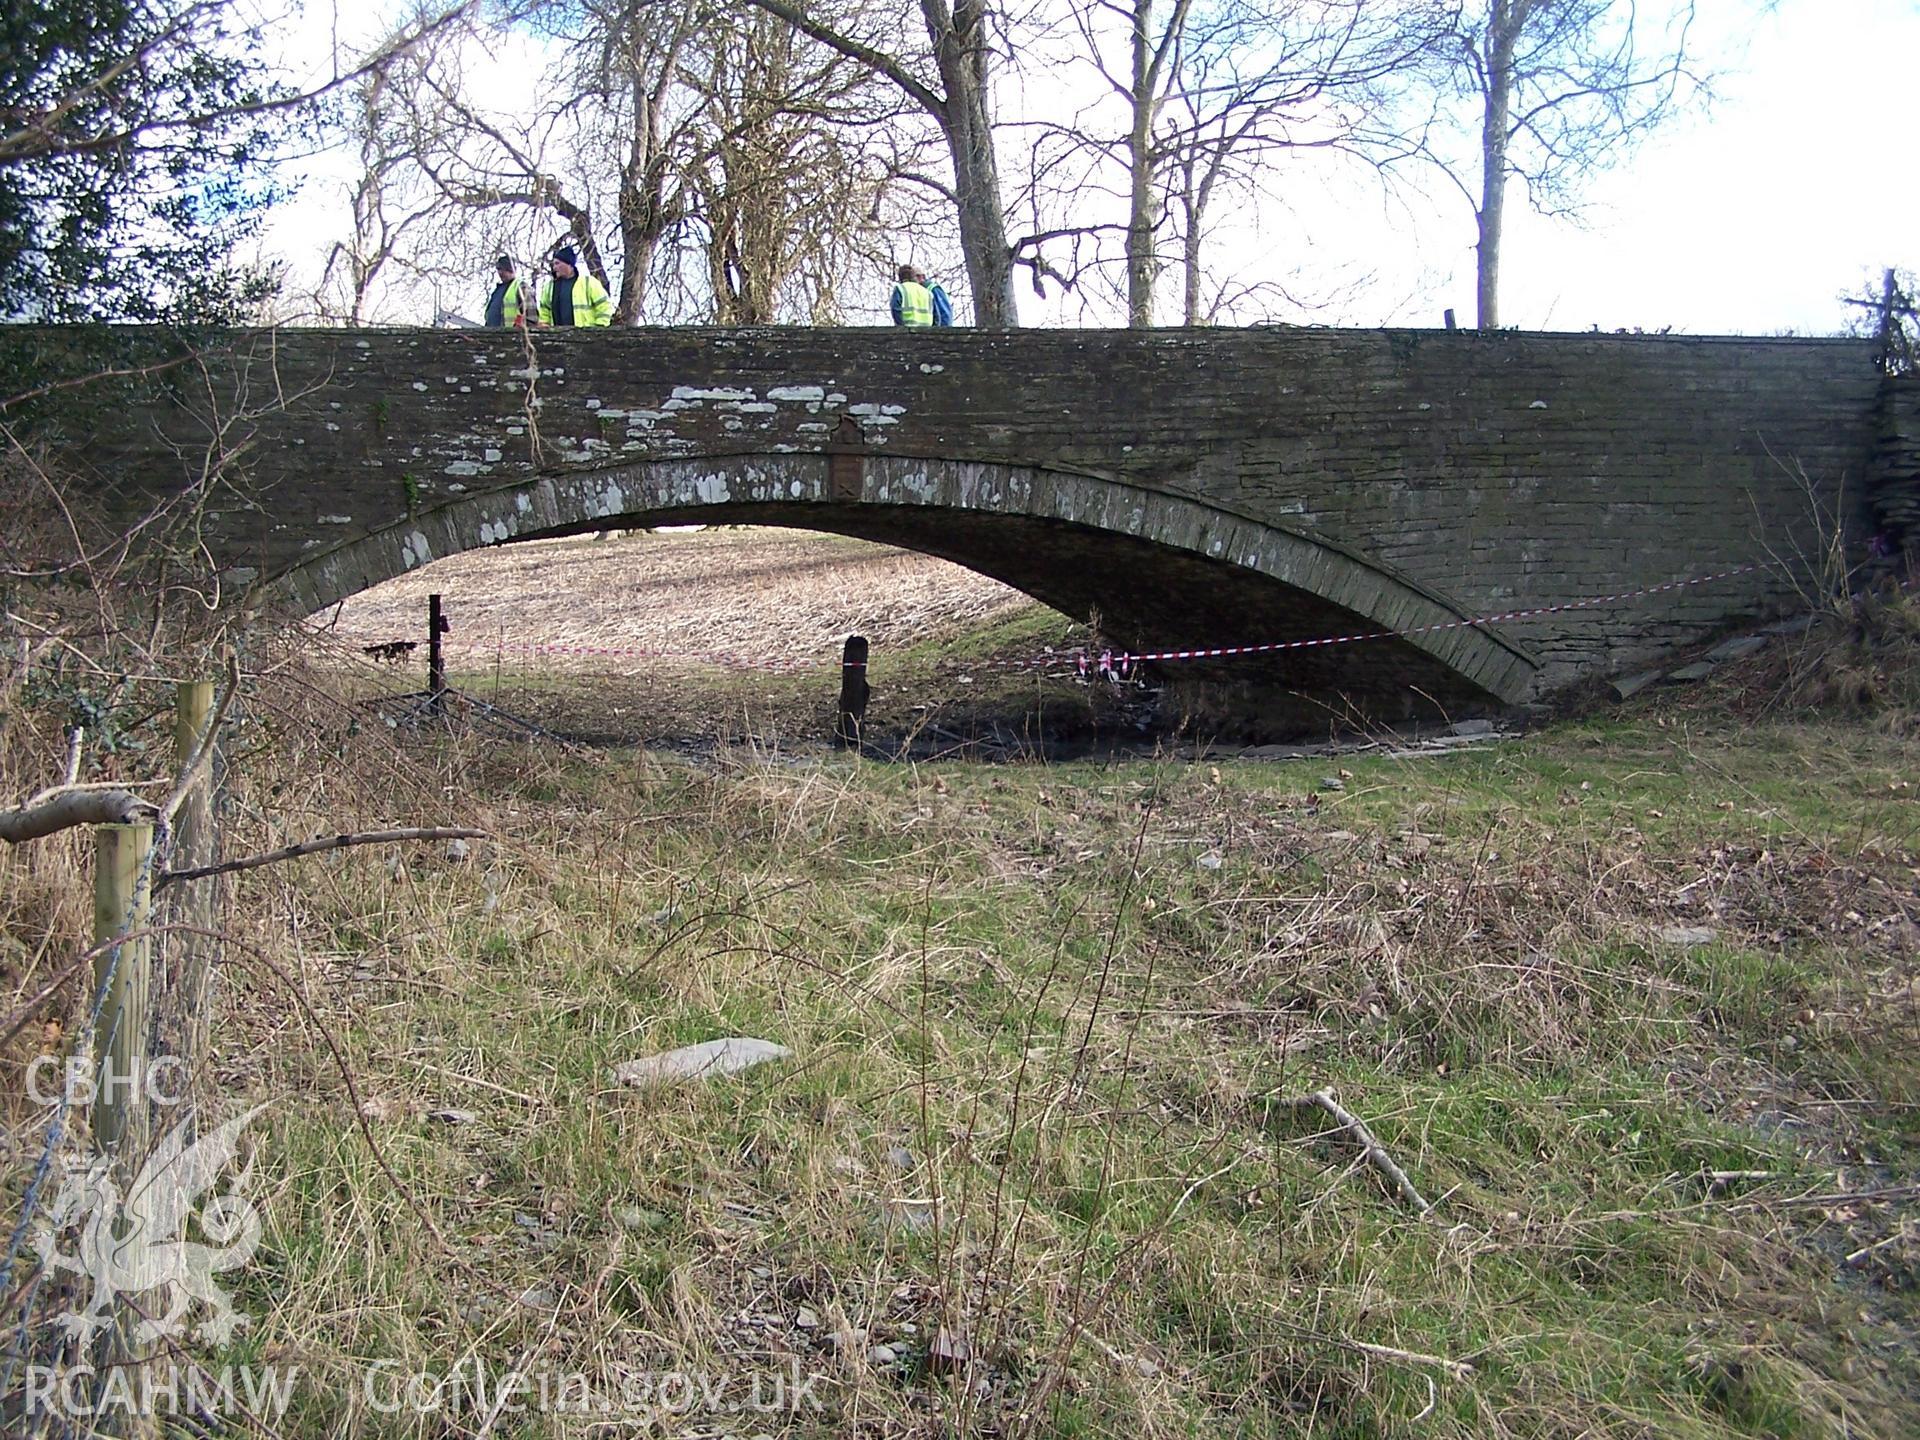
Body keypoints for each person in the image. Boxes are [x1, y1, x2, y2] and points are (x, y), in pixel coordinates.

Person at [535, 247, 612, 327]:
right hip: (557, 335)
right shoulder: (550, 286)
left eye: (557, 263)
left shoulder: (588, 282)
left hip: (586, 335)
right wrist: (544, 324)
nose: (554, 267)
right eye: (553, 264)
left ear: (569, 264)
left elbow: (604, 305)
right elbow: (544, 310)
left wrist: (599, 328)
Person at [484, 256, 529, 328]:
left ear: (510, 269)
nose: (500, 273)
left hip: (511, 335)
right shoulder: (497, 291)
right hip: (493, 335)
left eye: (502, 270)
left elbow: (531, 316)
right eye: (498, 270)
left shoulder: (520, 287)